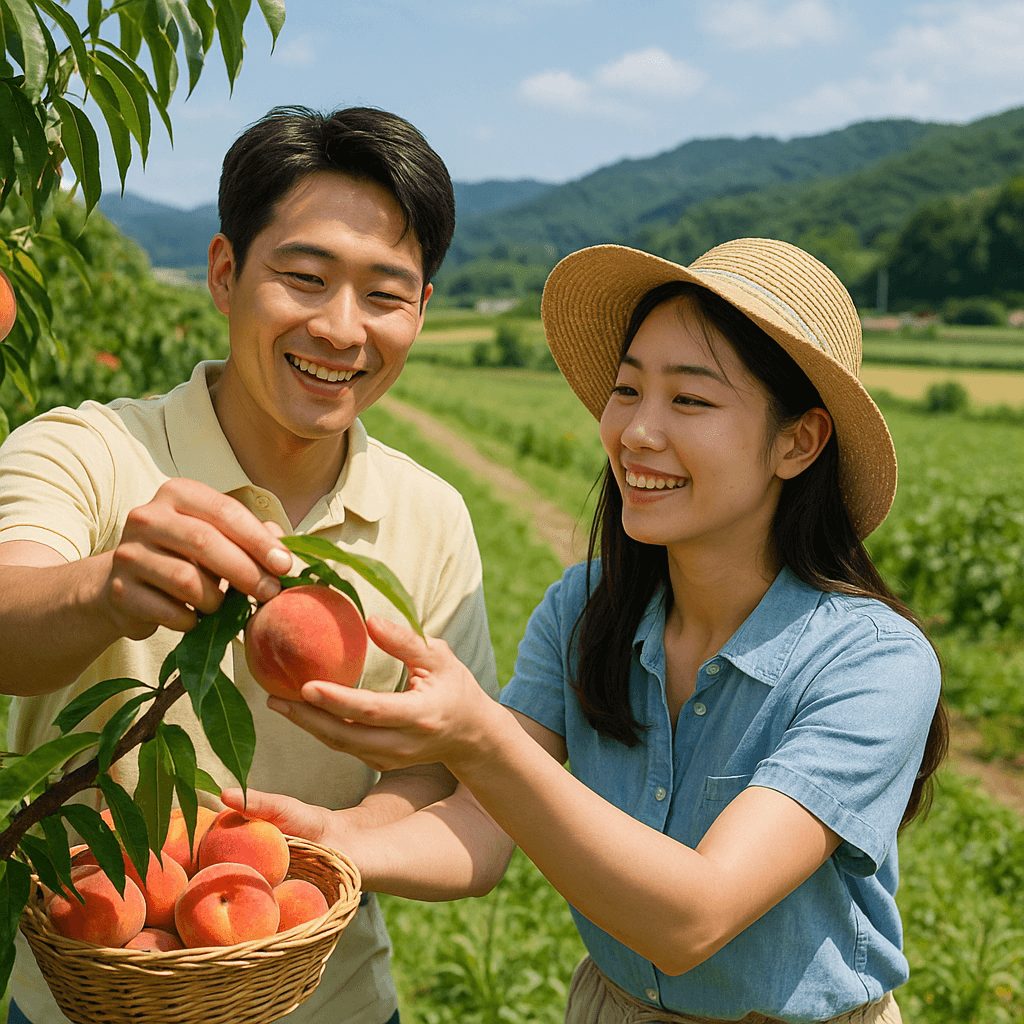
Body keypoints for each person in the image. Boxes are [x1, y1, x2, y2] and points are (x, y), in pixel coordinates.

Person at [226, 238, 949, 1024]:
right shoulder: (588, 609)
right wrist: (323, 838)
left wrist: (477, 737)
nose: (636, 432)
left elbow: (695, 916)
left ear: (797, 441)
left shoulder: (873, 664)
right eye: (628, 390)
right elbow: (480, 818)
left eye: (690, 401)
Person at [0, 105, 499, 1024]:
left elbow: (442, 778)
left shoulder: (431, 516)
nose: (342, 329)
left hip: (336, 1003)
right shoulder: (86, 451)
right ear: (226, 275)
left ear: (423, 310)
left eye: (385, 294)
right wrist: (106, 588)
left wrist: (332, 837)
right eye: (304, 278)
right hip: (85, 1000)